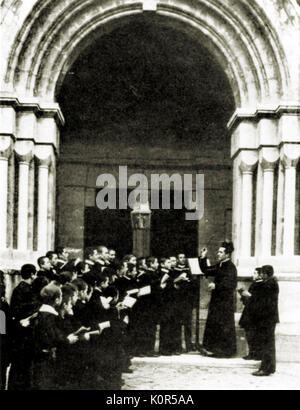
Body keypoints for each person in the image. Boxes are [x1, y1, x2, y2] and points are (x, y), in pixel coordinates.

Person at [199, 241, 237, 358]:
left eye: (221, 252)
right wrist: (203, 257)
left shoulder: (231, 267)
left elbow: (231, 284)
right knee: (215, 324)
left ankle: (224, 351)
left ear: (227, 254)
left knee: (223, 325)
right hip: (217, 301)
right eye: (218, 252)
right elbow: (206, 270)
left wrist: (217, 286)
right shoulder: (220, 265)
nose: (218, 254)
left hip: (225, 303)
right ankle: (213, 349)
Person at [252, 265, 279, 376]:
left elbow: (263, 301)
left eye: (262, 273)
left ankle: (266, 369)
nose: (260, 275)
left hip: (267, 318)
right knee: (268, 344)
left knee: (267, 344)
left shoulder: (269, 284)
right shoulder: (270, 283)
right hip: (269, 318)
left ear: (266, 274)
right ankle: (268, 368)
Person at [239, 267, 264, 360]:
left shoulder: (261, 285)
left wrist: (249, 295)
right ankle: (252, 353)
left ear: (260, 275)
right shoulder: (254, 284)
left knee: (255, 334)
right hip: (249, 312)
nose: (253, 275)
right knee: (249, 333)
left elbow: (259, 300)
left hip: (255, 314)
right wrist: (243, 295)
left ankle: (257, 354)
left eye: (255, 273)